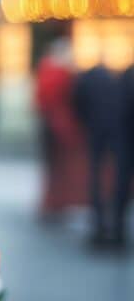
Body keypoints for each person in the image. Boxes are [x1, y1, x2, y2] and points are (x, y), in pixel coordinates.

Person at [72, 56, 134, 247]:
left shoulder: (93, 77)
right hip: (122, 135)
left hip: (103, 132)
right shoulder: (126, 76)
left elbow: (78, 104)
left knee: (101, 179)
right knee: (116, 181)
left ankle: (103, 228)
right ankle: (114, 228)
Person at [35, 38, 87, 220]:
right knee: (57, 168)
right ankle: (55, 203)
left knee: (53, 169)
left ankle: (54, 203)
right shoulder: (58, 72)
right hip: (58, 126)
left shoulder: (47, 70)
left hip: (51, 125)